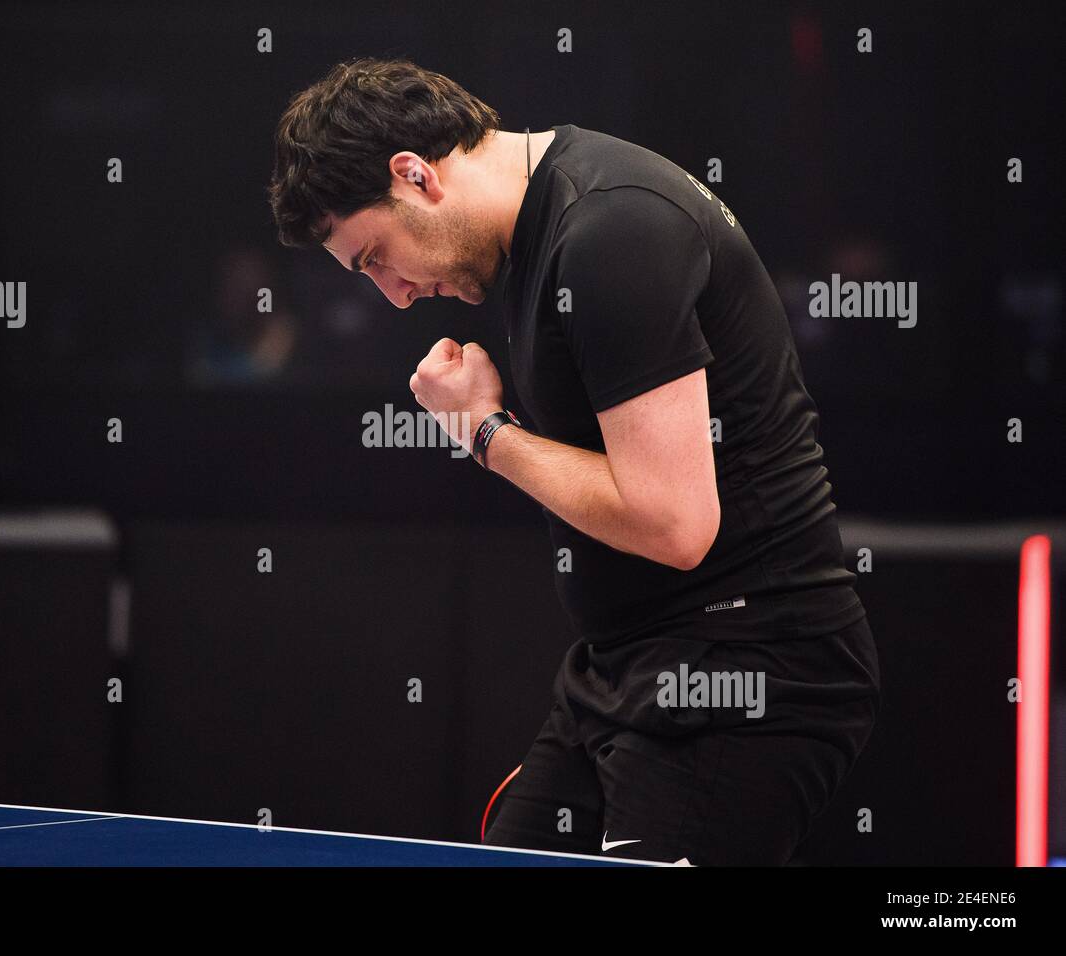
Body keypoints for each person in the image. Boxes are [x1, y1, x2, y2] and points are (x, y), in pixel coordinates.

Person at [267, 57, 880, 865]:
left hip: (747, 676)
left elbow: (674, 524)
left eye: (375, 255)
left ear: (415, 176)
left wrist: (485, 432)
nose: (395, 293)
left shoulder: (610, 231)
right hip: (623, 668)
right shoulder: (541, 228)